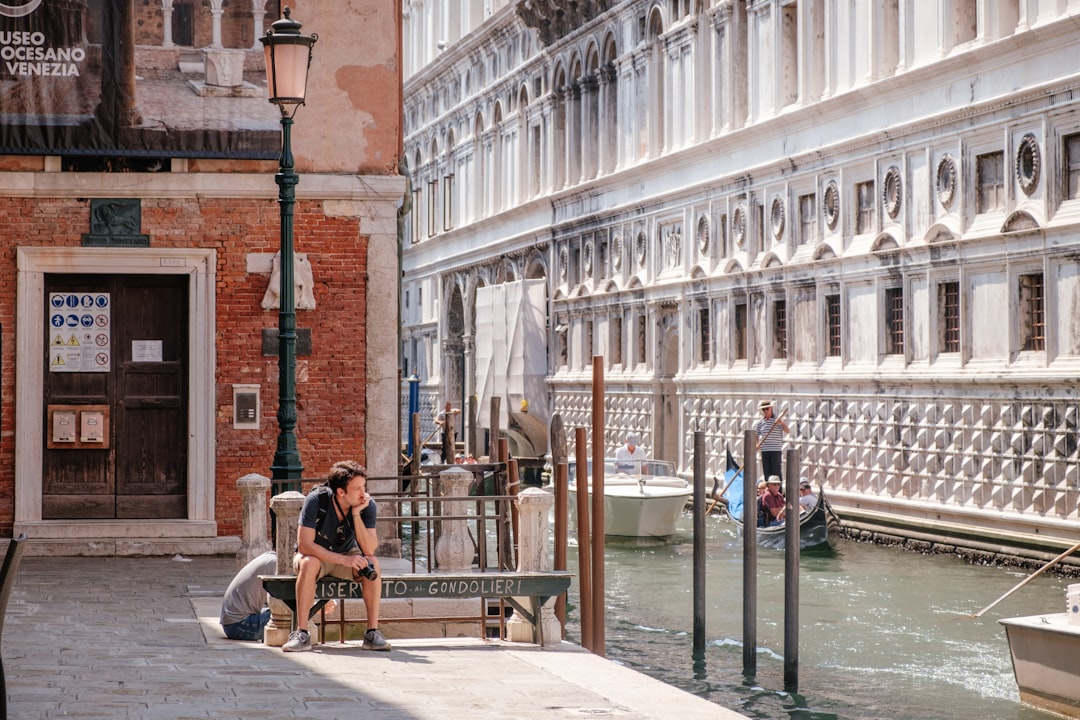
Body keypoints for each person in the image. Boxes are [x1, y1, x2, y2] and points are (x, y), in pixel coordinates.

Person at [283, 460, 391, 653]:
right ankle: (301, 633)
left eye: (364, 487)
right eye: (357, 488)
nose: (363, 493)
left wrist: (357, 515)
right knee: (308, 563)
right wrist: (344, 560)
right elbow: (305, 545)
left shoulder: (367, 505)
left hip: (346, 556)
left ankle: (372, 633)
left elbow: (369, 550)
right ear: (341, 492)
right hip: (316, 556)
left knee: (372, 563)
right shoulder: (316, 500)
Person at [220, 550, 278, 641]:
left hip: (231, 622)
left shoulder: (269, 557)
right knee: (295, 615)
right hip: (238, 625)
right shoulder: (276, 565)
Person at [754, 400, 788, 481]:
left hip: (775, 450)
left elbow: (787, 431)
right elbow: (757, 435)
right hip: (764, 450)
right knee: (767, 473)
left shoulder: (777, 420)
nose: (765, 411)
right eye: (763, 409)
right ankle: (769, 491)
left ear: (771, 408)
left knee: (776, 472)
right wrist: (757, 444)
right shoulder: (760, 422)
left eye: (767, 409)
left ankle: (778, 492)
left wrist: (782, 423)